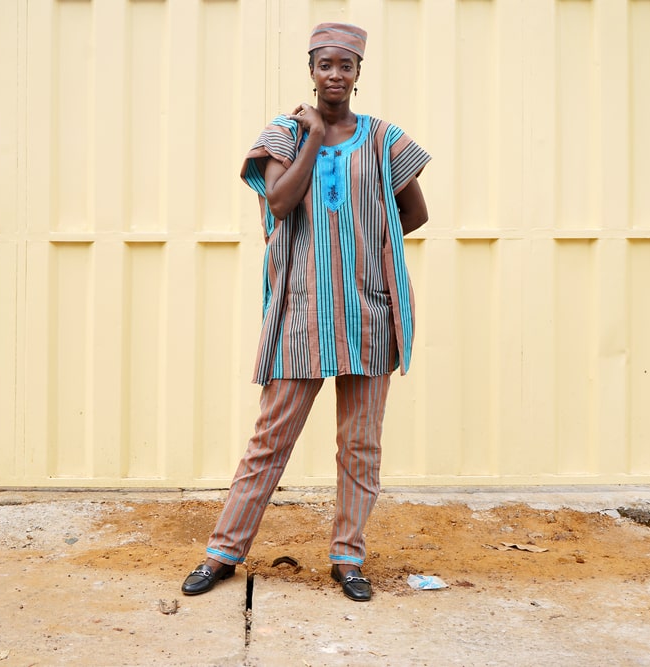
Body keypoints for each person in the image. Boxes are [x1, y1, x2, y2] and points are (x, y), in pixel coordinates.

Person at [181, 22, 431, 602]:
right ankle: (223, 553)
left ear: (359, 73)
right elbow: (278, 201)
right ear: (311, 70)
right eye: (325, 64)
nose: (335, 75)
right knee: (270, 439)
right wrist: (314, 136)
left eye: (346, 65)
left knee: (360, 446)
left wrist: (363, 246)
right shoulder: (285, 135)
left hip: (368, 314)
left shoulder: (384, 140)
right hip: (302, 314)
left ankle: (348, 559)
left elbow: (414, 214)